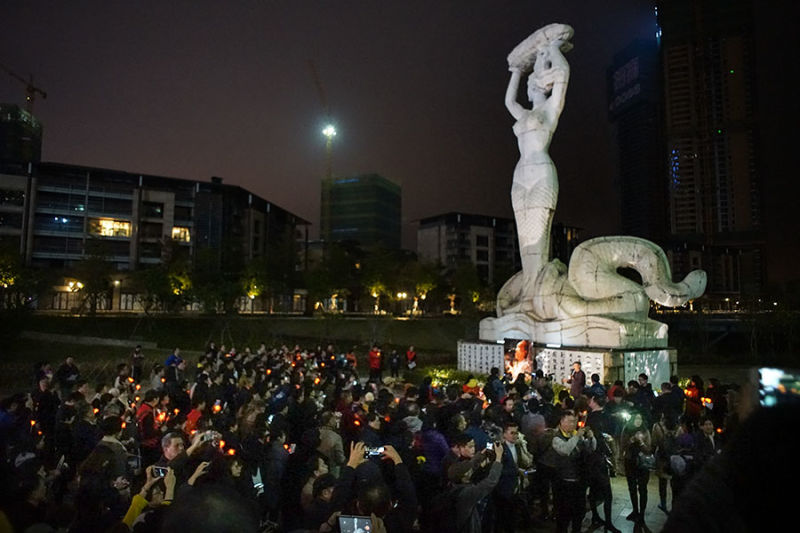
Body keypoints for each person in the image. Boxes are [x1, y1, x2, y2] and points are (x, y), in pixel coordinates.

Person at [551, 410, 594, 533]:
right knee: (564, 514)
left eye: (574, 422)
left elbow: (590, 449)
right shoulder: (556, 438)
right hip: (564, 483)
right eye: (569, 421)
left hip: (579, 481)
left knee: (579, 513)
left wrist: (591, 438)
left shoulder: (575, 436)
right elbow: (565, 450)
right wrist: (577, 436)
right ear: (562, 422)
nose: (573, 424)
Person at [585, 394, 621, 533]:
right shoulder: (607, 416)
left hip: (594, 458)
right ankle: (607, 521)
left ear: (594, 401)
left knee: (595, 491)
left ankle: (597, 517)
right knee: (606, 493)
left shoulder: (591, 417)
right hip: (601, 458)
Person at [621, 412, 652, 525]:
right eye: (636, 418)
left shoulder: (645, 431)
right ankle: (635, 510)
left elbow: (648, 450)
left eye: (640, 419)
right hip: (630, 462)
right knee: (632, 488)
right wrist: (632, 440)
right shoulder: (626, 429)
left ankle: (642, 514)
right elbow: (623, 445)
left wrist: (641, 442)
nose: (638, 421)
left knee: (643, 489)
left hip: (642, 464)